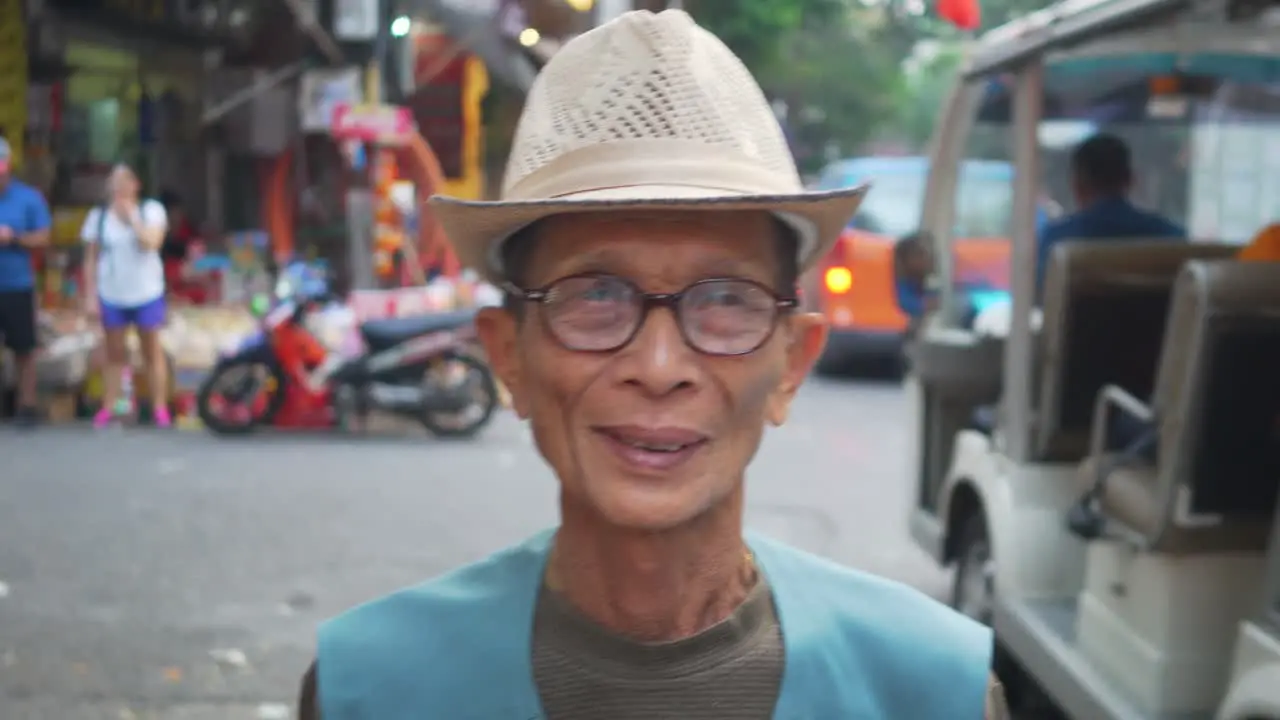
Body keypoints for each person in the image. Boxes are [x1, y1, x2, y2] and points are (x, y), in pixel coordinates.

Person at [299, 10, 1007, 720]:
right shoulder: (370, 689)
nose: (660, 366)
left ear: (792, 362)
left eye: (727, 299)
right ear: (508, 354)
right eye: (595, 295)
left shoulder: (934, 691)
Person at [1035, 133, 1185, 294]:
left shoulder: (1057, 240)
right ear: (1130, 181)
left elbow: (1042, 297)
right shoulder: (1171, 238)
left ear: (1077, 185)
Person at [81, 164, 171, 428]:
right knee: (114, 352)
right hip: (112, 291)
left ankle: (159, 407)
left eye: (124, 181)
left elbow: (151, 243)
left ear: (135, 185)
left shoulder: (151, 211)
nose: (118, 187)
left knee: (150, 349)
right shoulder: (97, 217)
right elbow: (91, 258)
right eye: (114, 182)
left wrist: (132, 218)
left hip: (146, 291)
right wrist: (90, 295)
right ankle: (112, 404)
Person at [0, 137, 52, 426]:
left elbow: (44, 237)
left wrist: (14, 237)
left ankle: (27, 404)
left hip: (17, 283)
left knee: (23, 348)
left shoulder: (28, 198)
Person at [894, 230, 936, 322]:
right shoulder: (898, 283)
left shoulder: (921, 280)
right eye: (920, 254)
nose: (927, 259)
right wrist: (922, 305)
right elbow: (902, 304)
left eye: (930, 254)